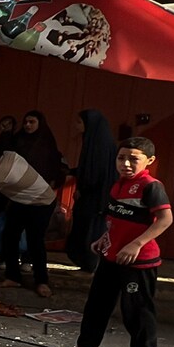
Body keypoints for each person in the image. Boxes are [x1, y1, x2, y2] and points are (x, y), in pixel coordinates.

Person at [52, 137, 173, 347]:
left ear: (149, 161)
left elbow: (166, 220)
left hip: (138, 261)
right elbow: (116, 220)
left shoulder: (151, 186)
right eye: (121, 158)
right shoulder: (118, 185)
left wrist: (136, 244)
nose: (126, 164)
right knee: (97, 304)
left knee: (137, 309)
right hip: (112, 256)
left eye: (133, 159)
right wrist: (102, 241)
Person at [0, 138, 57, 297]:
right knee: (9, 235)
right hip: (21, 201)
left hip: (42, 202)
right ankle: (13, 277)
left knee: (35, 241)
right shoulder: (8, 154)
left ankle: (42, 281)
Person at [66, 109, 118, 272]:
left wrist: (83, 188)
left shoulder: (98, 145)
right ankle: (86, 262)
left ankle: (89, 263)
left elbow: (95, 173)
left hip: (94, 197)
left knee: (89, 229)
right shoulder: (95, 141)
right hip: (93, 196)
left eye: (79, 122)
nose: (76, 126)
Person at [12, 110, 65, 188]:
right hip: (18, 182)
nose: (27, 125)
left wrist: (52, 181)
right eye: (25, 122)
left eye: (31, 122)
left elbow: (53, 161)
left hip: (40, 183)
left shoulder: (47, 140)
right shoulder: (18, 138)